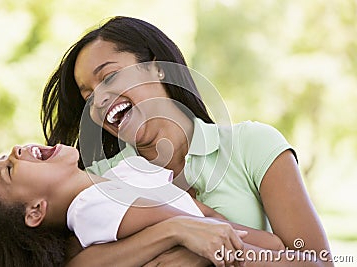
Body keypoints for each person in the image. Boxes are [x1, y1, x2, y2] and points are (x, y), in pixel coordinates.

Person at [41, 16, 333, 266]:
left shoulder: (252, 144)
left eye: (110, 76)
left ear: (157, 67)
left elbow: (317, 261)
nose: (100, 99)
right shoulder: (101, 179)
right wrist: (174, 232)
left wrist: (208, 251)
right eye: (87, 95)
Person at [0, 144, 285, 267]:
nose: (15, 150)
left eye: (5, 156)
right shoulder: (94, 208)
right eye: (9, 170)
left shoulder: (127, 172)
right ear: (35, 211)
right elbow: (218, 233)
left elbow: (207, 220)